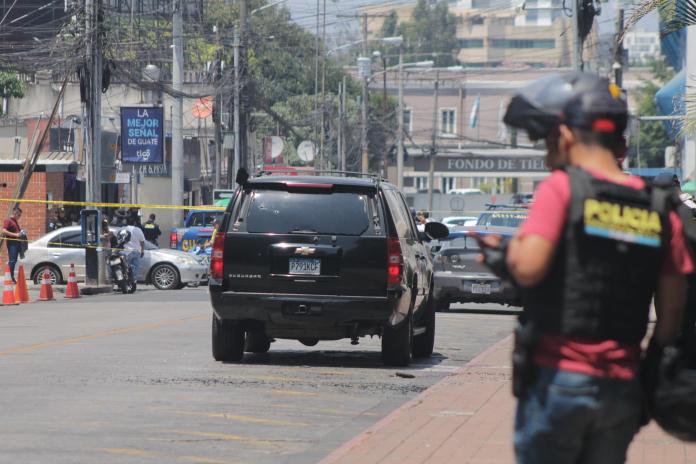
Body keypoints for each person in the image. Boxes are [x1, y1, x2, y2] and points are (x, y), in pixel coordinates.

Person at [478, 73, 692, 464]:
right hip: (623, 387)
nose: (545, 154)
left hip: (560, 380)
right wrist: (652, 364)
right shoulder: (661, 208)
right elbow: (673, 309)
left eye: (546, 141)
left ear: (567, 135)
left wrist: (501, 256)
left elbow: (528, 268)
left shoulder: (562, 189)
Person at [2, 206, 23, 282]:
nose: (19, 217)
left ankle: (11, 277)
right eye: (19, 215)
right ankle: (9, 278)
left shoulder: (14, 221)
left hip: (16, 243)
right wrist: (16, 235)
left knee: (13, 260)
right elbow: (4, 231)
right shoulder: (8, 220)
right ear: (15, 213)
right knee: (12, 261)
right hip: (12, 243)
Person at [122, 216, 145, 283]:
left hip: (127, 252)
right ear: (134, 223)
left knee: (126, 267)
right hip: (136, 252)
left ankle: (126, 280)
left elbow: (113, 234)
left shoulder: (124, 229)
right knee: (135, 268)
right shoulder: (138, 230)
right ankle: (133, 281)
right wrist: (142, 250)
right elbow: (142, 242)